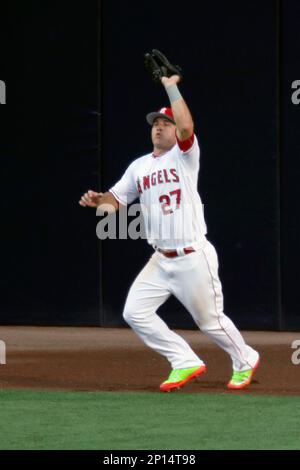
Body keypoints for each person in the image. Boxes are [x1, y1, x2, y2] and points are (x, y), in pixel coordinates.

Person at [79, 74, 260, 392]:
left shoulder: (185, 156)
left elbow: (188, 128)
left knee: (210, 321)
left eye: (166, 122)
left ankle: (245, 358)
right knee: (134, 312)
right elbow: (114, 202)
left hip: (192, 254)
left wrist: (170, 86)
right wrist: (98, 201)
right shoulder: (138, 167)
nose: (159, 127)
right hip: (161, 259)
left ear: (176, 131)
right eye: (155, 123)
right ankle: (184, 360)